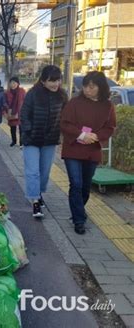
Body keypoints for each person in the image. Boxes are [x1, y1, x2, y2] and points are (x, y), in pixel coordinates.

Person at [60, 71, 116, 234]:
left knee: (85, 187)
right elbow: (64, 123)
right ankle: (79, 220)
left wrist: (96, 136)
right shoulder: (74, 103)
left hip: (92, 149)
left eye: (91, 87)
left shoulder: (108, 106)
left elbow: (110, 127)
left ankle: (78, 210)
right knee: (75, 184)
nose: (87, 90)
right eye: (85, 86)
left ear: (100, 87)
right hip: (73, 148)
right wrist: (81, 134)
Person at [20, 65, 68, 218]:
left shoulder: (62, 96)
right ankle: (35, 201)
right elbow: (24, 114)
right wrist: (28, 130)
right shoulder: (33, 94)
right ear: (42, 80)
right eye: (51, 81)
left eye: (57, 80)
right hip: (32, 139)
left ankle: (38, 193)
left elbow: (66, 117)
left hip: (50, 140)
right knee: (33, 171)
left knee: (45, 172)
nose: (55, 84)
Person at [4, 76, 26, 147]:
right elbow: (4, 103)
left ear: (18, 83)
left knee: (21, 129)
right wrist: (6, 111)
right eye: (11, 83)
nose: (12, 84)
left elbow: (26, 101)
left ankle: (21, 143)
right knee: (12, 128)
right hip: (11, 113)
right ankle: (14, 141)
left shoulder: (22, 91)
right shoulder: (7, 93)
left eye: (14, 83)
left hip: (21, 113)